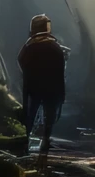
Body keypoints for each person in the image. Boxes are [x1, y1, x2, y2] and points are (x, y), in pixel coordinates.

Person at [17, 14, 66, 155]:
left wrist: (29, 75)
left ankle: (26, 141)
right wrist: (62, 94)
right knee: (48, 116)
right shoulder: (55, 48)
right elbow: (60, 73)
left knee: (30, 115)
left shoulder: (28, 47)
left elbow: (20, 61)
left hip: (33, 88)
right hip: (51, 88)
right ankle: (45, 140)